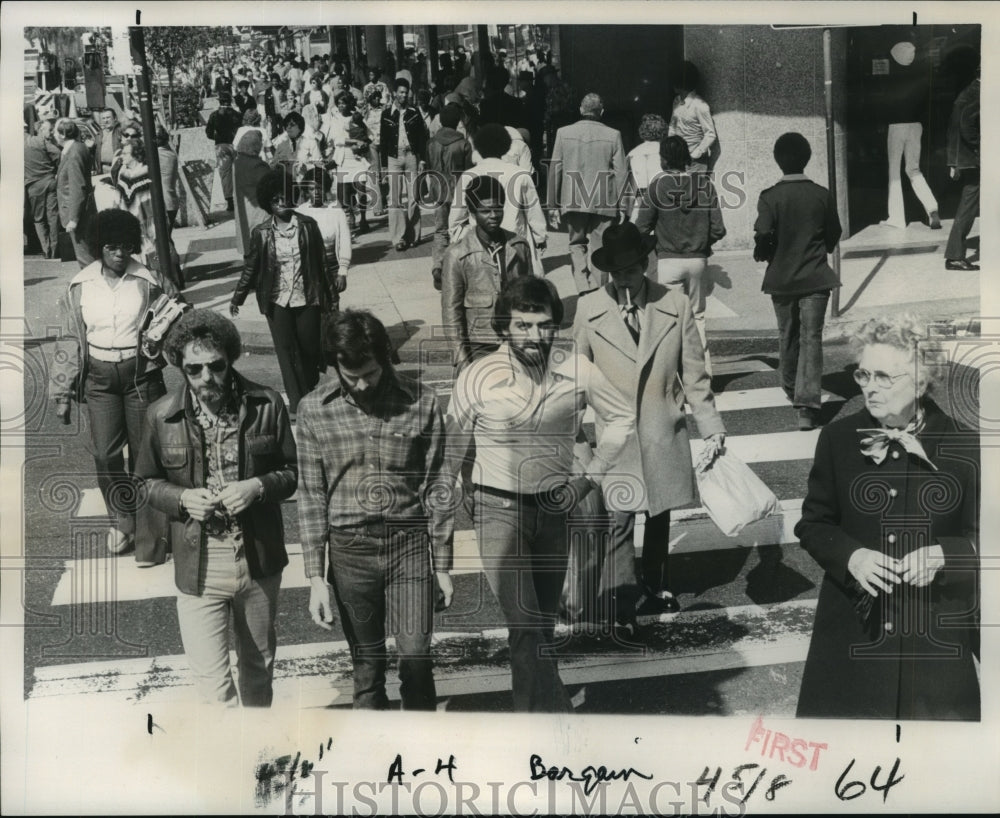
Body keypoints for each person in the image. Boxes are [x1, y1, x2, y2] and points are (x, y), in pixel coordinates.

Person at [446, 277, 634, 712]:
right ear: (503, 328)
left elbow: (623, 417)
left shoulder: (577, 369)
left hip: (555, 508)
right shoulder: (477, 377)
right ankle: (545, 732)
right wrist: (456, 503)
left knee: (542, 628)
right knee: (526, 627)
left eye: (544, 325)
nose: (534, 336)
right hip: (497, 510)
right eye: (522, 325)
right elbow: (450, 448)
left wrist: (589, 478)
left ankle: (543, 719)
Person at [795, 315, 979, 720]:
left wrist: (948, 555)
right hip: (852, 637)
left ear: (919, 381)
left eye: (884, 377)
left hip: (934, 644)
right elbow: (813, 523)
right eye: (863, 374)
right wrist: (851, 557)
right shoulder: (838, 439)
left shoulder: (965, 446)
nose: (869, 388)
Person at [135, 310, 297, 707]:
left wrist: (257, 486)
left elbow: (292, 472)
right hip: (198, 563)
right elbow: (143, 482)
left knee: (258, 673)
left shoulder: (267, 404)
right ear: (180, 367)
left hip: (256, 557)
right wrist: (181, 498)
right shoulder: (161, 415)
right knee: (212, 687)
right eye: (194, 369)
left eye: (216, 366)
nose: (207, 378)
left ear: (231, 359)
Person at [297, 310, 454, 710]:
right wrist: (316, 577)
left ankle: (422, 759)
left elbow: (437, 483)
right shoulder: (314, 409)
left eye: (371, 372)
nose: (363, 385)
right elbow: (312, 494)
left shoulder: (422, 401)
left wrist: (444, 566)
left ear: (385, 357)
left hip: (409, 547)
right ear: (335, 366)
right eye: (352, 378)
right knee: (367, 668)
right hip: (350, 553)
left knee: (416, 660)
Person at [573, 220, 725, 632]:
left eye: (631, 270)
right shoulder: (589, 309)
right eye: (616, 272)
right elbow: (576, 377)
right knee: (620, 518)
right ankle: (622, 601)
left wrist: (711, 424)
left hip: (662, 427)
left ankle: (656, 584)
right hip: (615, 435)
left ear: (645, 265)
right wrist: (570, 433)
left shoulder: (674, 304)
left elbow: (694, 372)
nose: (624, 279)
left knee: (658, 513)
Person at [48, 209, 174, 558]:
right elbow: (70, 339)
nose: (120, 253)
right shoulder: (80, 285)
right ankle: (120, 520)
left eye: (126, 247)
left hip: (140, 376)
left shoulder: (149, 281)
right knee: (105, 455)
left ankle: (150, 533)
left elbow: (175, 324)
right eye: (112, 247)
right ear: (99, 247)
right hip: (99, 379)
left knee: (145, 456)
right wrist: (62, 392)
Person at [230, 169, 343, 415]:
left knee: (310, 348)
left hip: (307, 297)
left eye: (284, 197)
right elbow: (251, 267)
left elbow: (322, 264)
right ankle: (298, 401)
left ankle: (311, 385)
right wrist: (237, 297)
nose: (281, 203)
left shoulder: (307, 225)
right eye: (274, 199)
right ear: (268, 202)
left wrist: (332, 297)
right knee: (286, 352)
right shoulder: (260, 233)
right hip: (276, 301)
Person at [753, 132, 841, 431]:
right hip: (816, 275)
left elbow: (764, 233)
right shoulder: (822, 194)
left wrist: (764, 253)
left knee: (787, 334)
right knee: (811, 337)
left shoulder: (769, 197)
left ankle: (791, 387)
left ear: (778, 161)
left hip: (781, 278)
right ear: (807, 158)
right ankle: (807, 406)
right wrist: (822, 250)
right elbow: (834, 232)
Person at [635, 135, 726, 375]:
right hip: (697, 259)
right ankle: (702, 374)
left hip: (667, 259)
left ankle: (672, 378)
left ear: (663, 160)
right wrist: (702, 242)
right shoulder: (704, 185)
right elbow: (718, 228)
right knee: (698, 317)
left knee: (669, 320)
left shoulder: (657, 186)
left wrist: (655, 244)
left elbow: (641, 226)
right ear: (686, 158)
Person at [441, 175, 532, 370]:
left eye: (498, 208)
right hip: (480, 348)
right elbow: (451, 311)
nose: (493, 215)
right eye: (485, 210)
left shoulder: (519, 246)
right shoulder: (457, 254)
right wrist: (462, 361)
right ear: (473, 212)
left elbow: (531, 299)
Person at [546, 93, 626, 294]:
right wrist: (624, 204)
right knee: (601, 246)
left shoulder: (563, 133)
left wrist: (552, 204)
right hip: (604, 198)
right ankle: (600, 291)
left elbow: (555, 168)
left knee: (576, 243)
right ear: (602, 112)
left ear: (581, 110)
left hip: (573, 196)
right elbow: (621, 173)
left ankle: (583, 287)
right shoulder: (613, 135)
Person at [450, 123, 547, 274]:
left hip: (480, 246)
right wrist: (540, 239)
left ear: (479, 148)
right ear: (506, 146)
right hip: (515, 243)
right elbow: (534, 213)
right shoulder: (520, 175)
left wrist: (461, 240)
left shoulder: (468, 176)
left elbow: (456, 219)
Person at [880, 41, 940, 230]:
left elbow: (883, 104)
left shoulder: (890, 78)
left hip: (896, 126)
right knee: (914, 169)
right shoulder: (920, 76)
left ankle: (897, 218)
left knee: (895, 173)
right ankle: (932, 208)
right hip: (916, 126)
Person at [427, 103, 474, 289]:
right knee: (459, 229)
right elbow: (470, 172)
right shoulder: (463, 143)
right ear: (456, 122)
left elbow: (429, 168)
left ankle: (438, 266)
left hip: (438, 189)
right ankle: (456, 269)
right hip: (458, 191)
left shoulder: (431, 143)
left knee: (440, 231)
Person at [381, 78, 428, 251]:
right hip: (393, 158)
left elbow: (422, 138)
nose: (403, 95)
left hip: (411, 157)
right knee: (394, 198)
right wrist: (383, 166)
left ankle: (413, 235)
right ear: (394, 93)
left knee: (413, 197)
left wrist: (422, 159)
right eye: (400, 92)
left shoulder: (414, 112)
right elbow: (383, 140)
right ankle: (398, 238)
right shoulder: (386, 113)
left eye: (405, 92)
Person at [944, 59, 980, 271]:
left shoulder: (970, 91)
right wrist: (981, 146)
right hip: (974, 157)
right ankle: (955, 255)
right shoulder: (978, 92)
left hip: (968, 157)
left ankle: (955, 254)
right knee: (969, 202)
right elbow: (966, 122)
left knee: (969, 201)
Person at [54, 117, 96, 268]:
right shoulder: (77, 148)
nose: (54, 135)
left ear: (62, 135)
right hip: (81, 210)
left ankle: (93, 287)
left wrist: (74, 218)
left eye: (55, 132)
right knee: (87, 255)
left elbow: (77, 186)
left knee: (85, 258)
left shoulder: (73, 153)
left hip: (78, 213)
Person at [667, 61, 716, 173]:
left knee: (694, 190)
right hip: (679, 161)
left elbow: (710, 134)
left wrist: (696, 153)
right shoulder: (676, 101)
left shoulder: (700, 105)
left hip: (695, 163)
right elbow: (672, 127)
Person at [24, 119, 61, 259]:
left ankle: (46, 250)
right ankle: (55, 249)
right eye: (49, 130)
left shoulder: (25, 143)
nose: (51, 133)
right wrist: (56, 169)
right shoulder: (43, 142)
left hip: (33, 185)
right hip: (50, 182)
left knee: (38, 218)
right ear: (40, 130)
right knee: (53, 216)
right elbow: (58, 154)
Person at [233, 130, 272, 258]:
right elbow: (270, 184)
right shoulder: (257, 165)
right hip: (258, 211)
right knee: (260, 245)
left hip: (244, 210)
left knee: (248, 246)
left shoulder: (237, 162)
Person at [622, 114, 667, 220]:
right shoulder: (667, 152)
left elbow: (626, 184)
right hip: (663, 201)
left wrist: (624, 211)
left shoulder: (633, 153)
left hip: (640, 202)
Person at [205, 91, 242, 211]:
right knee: (239, 171)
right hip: (236, 145)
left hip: (221, 146)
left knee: (225, 173)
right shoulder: (237, 114)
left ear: (220, 102)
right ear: (230, 101)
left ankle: (229, 200)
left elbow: (208, 133)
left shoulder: (214, 115)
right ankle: (240, 197)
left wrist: (216, 137)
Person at [155, 126, 183, 239]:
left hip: (164, 203)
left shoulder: (159, 154)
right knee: (166, 239)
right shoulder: (169, 152)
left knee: (164, 240)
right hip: (170, 201)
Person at [92, 108, 123, 175]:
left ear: (115, 118)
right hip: (103, 169)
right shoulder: (99, 134)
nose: (106, 120)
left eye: (108, 117)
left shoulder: (120, 131)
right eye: (103, 118)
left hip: (118, 168)